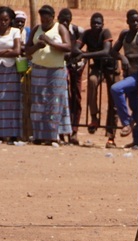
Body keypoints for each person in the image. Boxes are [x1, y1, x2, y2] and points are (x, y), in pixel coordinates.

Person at [25, 4, 72, 146]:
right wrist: (36, 47)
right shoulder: (35, 30)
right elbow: (27, 50)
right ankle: (39, 136)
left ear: (53, 18)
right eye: (42, 20)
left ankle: (53, 136)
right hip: (38, 69)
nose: (44, 22)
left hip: (56, 71)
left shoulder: (60, 28)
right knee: (39, 102)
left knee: (54, 104)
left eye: (47, 20)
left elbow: (68, 47)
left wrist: (50, 42)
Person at [111, 9, 138, 150]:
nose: (135, 23)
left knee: (116, 89)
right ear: (127, 21)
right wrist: (122, 57)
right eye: (132, 21)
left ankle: (127, 121)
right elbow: (112, 51)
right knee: (135, 106)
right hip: (128, 74)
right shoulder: (125, 34)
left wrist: (131, 57)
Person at [77, 12, 120, 148]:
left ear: (103, 24)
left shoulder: (106, 33)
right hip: (97, 67)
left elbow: (106, 51)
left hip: (111, 67)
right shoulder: (86, 34)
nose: (96, 25)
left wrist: (84, 54)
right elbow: (76, 47)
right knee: (92, 81)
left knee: (114, 98)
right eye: (93, 23)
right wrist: (76, 52)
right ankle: (94, 117)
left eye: (98, 23)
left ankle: (111, 135)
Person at [0, 7, 23, 143]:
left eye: (6, 20)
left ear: (10, 20)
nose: (3, 22)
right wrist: (7, 50)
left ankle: (13, 134)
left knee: (12, 102)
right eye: (0, 19)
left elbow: (17, 51)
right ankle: (0, 134)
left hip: (10, 71)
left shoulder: (15, 32)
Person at [59, 8, 84, 145]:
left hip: (76, 67)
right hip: (60, 67)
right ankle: (62, 131)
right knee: (62, 99)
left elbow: (80, 47)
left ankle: (74, 131)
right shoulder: (56, 30)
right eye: (62, 18)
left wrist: (78, 54)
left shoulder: (77, 30)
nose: (64, 20)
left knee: (76, 98)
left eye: (67, 18)